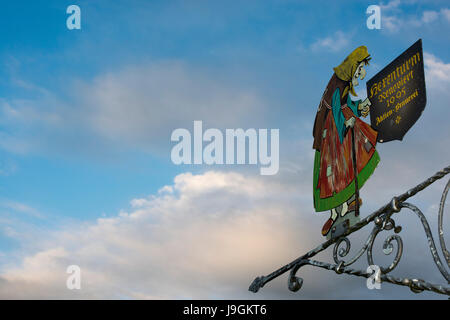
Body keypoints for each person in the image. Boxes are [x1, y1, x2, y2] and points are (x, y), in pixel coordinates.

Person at [312, 46, 380, 238]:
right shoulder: (337, 85)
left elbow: (346, 105)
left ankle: (348, 203)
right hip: (330, 135)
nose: (360, 74)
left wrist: (360, 107)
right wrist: (346, 121)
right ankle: (336, 212)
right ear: (352, 68)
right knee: (335, 170)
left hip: (336, 132)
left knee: (347, 164)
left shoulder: (343, 86)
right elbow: (336, 109)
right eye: (359, 70)